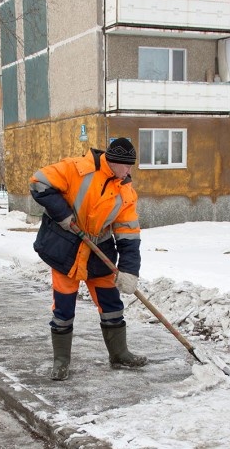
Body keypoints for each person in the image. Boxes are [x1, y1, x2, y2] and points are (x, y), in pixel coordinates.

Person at [30, 137, 147, 381]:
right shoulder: (77, 169)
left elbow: (128, 235)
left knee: (112, 305)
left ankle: (119, 354)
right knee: (63, 308)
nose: (129, 171)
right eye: (126, 166)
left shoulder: (125, 191)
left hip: (98, 251)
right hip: (66, 248)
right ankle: (61, 361)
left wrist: (128, 270)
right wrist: (63, 215)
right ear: (113, 163)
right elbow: (39, 183)